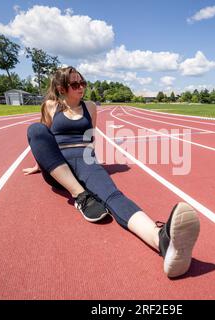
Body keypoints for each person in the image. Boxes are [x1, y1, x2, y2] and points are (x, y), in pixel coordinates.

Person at [24, 66, 200, 278]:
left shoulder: (90, 107)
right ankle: (80, 195)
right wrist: (39, 164)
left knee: (114, 196)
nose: (81, 88)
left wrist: (93, 167)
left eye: (83, 83)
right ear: (62, 88)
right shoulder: (50, 106)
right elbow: (41, 139)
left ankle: (161, 240)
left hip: (85, 160)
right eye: (75, 84)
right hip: (57, 167)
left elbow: (91, 138)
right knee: (34, 129)